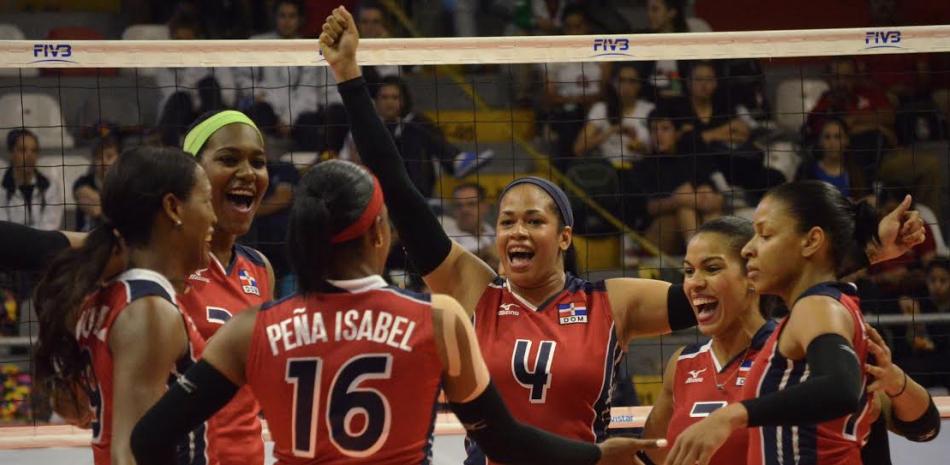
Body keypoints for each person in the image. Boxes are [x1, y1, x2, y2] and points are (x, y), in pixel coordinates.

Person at [316, 8, 925, 465]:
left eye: (534, 220)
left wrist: (865, 249)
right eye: (507, 221)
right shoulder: (477, 292)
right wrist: (349, 80)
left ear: (565, 235)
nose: (517, 231)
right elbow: (398, 187)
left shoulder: (611, 301)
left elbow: (745, 276)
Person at [129, 158, 663, 465]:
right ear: (381, 234)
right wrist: (597, 457)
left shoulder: (252, 328)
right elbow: (506, 440)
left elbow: (150, 438)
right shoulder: (438, 318)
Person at [641, 216, 940, 465]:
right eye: (688, 271)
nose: (694, 282)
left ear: (752, 277)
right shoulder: (682, 364)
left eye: (712, 268)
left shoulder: (803, 343)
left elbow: (923, 428)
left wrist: (893, 379)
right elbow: (652, 454)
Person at [31, 146, 217, 465]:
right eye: (207, 200)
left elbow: (75, 410)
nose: (214, 217)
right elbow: (129, 454)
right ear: (173, 207)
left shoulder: (107, 296)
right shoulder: (148, 310)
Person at [573, 62, 655, 170]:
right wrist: (610, 131)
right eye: (622, 80)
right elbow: (579, 148)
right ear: (615, 83)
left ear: (639, 85)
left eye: (632, 81)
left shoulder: (649, 109)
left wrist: (638, 146)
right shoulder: (601, 109)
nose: (626, 86)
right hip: (607, 170)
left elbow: (658, 150)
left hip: (640, 168)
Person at [1, 129, 63, 231]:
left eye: (34, 151)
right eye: (22, 150)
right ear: (11, 153)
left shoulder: (50, 186)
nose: (29, 156)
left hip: (43, 244)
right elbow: (3, 228)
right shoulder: (1, 187)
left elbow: (51, 226)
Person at [795, 118, 870, 201]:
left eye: (837, 137)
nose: (832, 143)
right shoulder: (806, 171)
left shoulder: (857, 172)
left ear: (846, 140)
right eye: (827, 137)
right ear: (820, 141)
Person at [441, 182, 498, 269]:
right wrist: (486, 252)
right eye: (459, 205)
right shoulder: (445, 234)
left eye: (471, 204)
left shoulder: (491, 230)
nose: (464, 210)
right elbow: (448, 263)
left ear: (484, 206)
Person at [73, 137, 121, 231]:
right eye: (99, 157)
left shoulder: (124, 185)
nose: (104, 162)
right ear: (93, 161)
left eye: (109, 156)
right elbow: (80, 192)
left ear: (119, 158)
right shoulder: (83, 181)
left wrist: (100, 210)